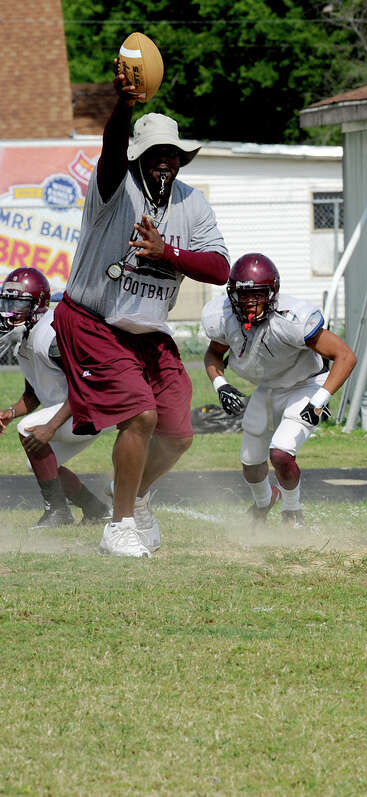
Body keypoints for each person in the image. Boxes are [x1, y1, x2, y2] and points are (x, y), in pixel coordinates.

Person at [52, 60, 230, 557]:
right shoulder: (115, 185)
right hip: (92, 320)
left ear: (181, 159)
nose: (163, 162)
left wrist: (167, 252)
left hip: (147, 331)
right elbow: (111, 149)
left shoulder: (191, 203)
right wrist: (124, 106)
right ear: (138, 157)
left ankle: (136, 494)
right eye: (153, 154)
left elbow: (219, 269)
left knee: (178, 432)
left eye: (171, 155)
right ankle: (119, 525)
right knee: (141, 416)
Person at [202, 254, 356, 528]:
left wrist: (321, 399)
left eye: (257, 294)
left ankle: (292, 511)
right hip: (270, 386)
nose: (249, 302)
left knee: (281, 452)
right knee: (250, 463)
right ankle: (264, 501)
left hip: (305, 384)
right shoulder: (223, 316)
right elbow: (213, 353)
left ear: (272, 293)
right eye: (243, 295)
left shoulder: (292, 318)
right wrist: (220, 384)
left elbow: (345, 356)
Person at [0, 268, 108, 527]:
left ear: (38, 305)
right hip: (70, 412)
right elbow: (33, 394)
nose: (8, 310)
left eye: (18, 303)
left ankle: (58, 512)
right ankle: (96, 509)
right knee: (36, 462)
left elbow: (84, 387)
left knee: (29, 431)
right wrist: (11, 412)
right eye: (6, 301)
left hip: (89, 410)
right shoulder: (25, 335)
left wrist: (49, 426)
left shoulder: (52, 335)